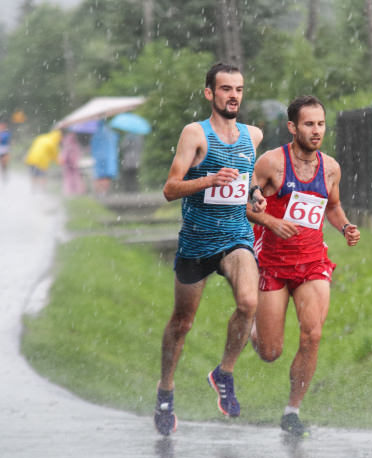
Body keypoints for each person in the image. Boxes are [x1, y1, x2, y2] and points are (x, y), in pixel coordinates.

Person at [154, 62, 265, 436]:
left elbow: (247, 183)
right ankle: (166, 389)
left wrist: (256, 195)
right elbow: (170, 189)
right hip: (198, 242)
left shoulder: (254, 135)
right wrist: (207, 180)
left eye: (239, 89)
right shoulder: (194, 134)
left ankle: (224, 373)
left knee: (249, 303)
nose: (233, 95)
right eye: (225, 89)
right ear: (209, 93)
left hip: (236, 237)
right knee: (182, 323)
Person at [247, 95, 360, 437]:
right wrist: (270, 221)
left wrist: (345, 227)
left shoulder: (331, 168)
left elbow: (332, 206)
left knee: (312, 334)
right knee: (270, 351)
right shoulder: (271, 164)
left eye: (321, 124)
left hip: (312, 263)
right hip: (272, 264)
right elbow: (247, 206)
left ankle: (292, 411)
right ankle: (253, 326)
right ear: (292, 127)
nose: (316, 131)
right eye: (309, 124)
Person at [90, 122, 119, 196]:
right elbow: (115, 141)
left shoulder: (96, 134)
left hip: (98, 158)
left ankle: (99, 192)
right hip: (109, 158)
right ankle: (104, 192)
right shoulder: (110, 133)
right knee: (106, 176)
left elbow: (93, 146)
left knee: (99, 176)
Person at [59, 132, 85, 196]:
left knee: (69, 178)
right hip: (75, 164)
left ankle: (69, 191)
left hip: (68, 165)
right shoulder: (76, 146)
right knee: (76, 178)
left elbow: (64, 155)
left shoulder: (67, 145)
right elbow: (80, 154)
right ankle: (78, 190)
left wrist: (62, 160)